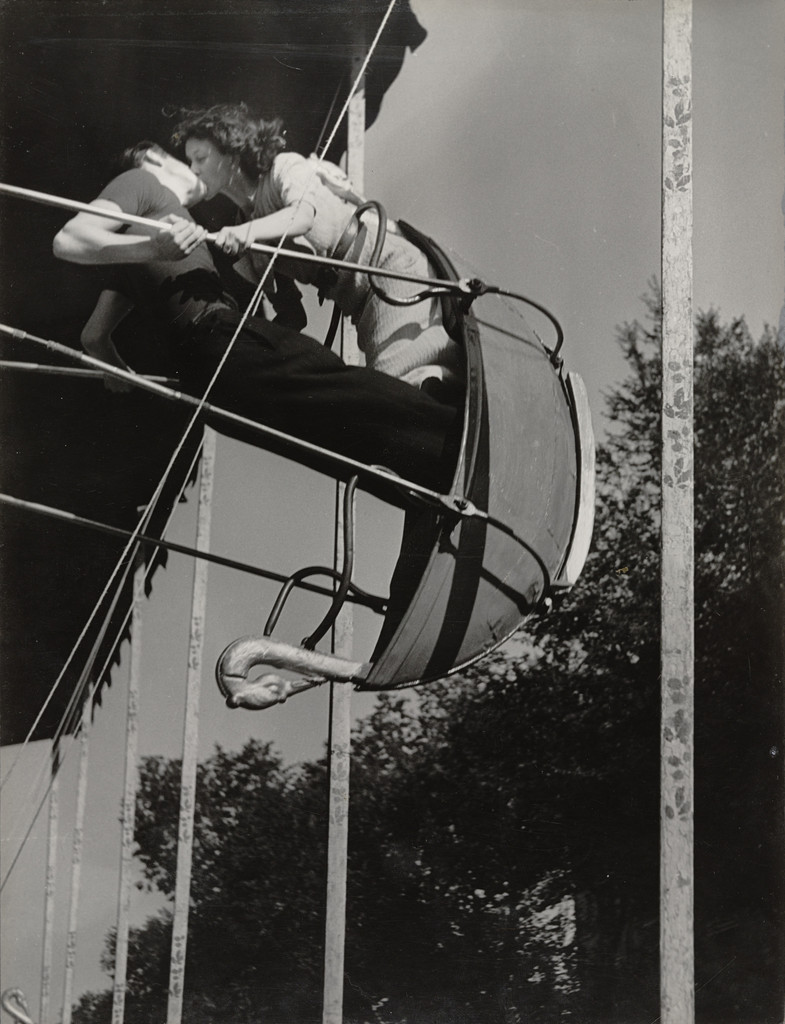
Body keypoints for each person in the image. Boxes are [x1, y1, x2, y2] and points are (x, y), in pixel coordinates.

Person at [53, 141, 461, 655]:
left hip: (208, 375)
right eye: (189, 158)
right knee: (335, 387)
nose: (195, 169)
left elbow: (94, 336)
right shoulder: (145, 186)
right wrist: (155, 248)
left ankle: (430, 490)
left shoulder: (156, 229)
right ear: (155, 159)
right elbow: (69, 239)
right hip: (217, 338)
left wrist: (116, 367)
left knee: (325, 437)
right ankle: (450, 442)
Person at [170, 103, 464, 393]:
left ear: (231, 153)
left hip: (386, 269)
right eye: (190, 161)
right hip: (360, 304)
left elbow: (302, 217)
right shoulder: (245, 226)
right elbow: (293, 314)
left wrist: (246, 233)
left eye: (200, 157)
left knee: (399, 389)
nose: (193, 169)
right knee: (384, 395)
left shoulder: (284, 168)